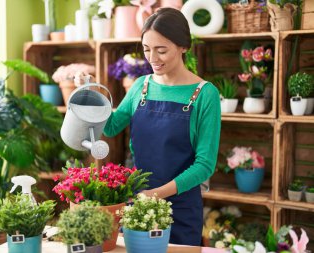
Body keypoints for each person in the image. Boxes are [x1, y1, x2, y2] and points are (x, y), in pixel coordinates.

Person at [77, 7, 221, 246]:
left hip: (181, 210)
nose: (152, 58)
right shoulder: (140, 86)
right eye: (146, 50)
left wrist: (155, 195)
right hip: (138, 206)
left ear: (183, 46)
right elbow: (111, 127)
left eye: (161, 50)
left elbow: (205, 165)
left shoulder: (205, 94)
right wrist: (90, 92)